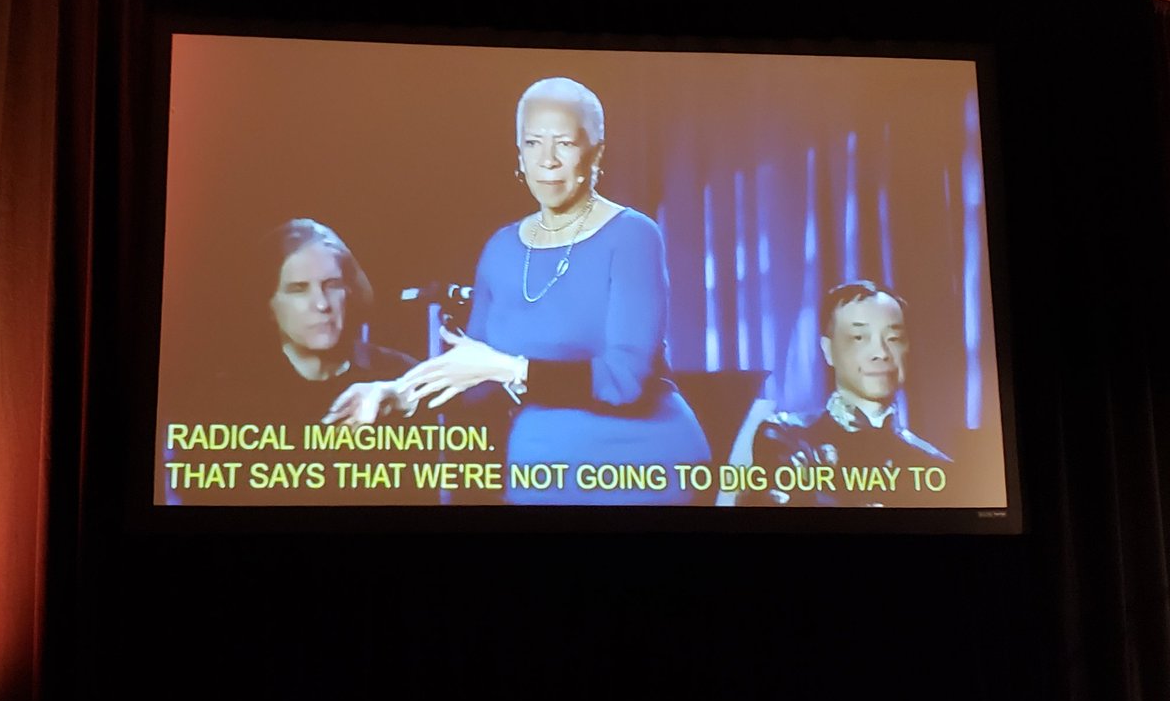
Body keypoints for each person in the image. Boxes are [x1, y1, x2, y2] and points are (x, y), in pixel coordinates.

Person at [387, 76, 711, 505]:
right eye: (533, 143)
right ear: (518, 155)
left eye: (565, 143)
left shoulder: (633, 236)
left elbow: (623, 381)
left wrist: (510, 369)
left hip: (645, 468)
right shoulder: (500, 248)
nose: (548, 161)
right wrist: (394, 393)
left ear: (596, 153)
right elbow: (472, 377)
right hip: (542, 474)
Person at [161, 218, 423, 504]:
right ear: (270, 304)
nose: (322, 304)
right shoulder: (224, 397)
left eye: (332, 285)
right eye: (299, 289)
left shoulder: (400, 375)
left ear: (349, 291)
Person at [737, 280, 951, 507]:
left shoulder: (934, 465)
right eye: (859, 337)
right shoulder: (787, 436)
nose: (880, 353)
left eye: (893, 339)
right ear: (828, 351)